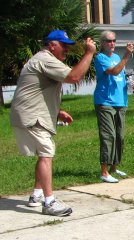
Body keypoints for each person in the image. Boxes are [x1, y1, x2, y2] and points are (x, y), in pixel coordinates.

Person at [10, 29, 96, 216]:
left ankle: (37, 195)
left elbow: (35, 93)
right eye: (64, 45)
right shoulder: (45, 59)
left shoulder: (43, 59)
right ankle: (49, 203)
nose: (67, 49)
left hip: (30, 114)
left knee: (44, 153)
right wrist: (89, 53)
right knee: (47, 153)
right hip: (31, 117)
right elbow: (74, 77)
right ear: (52, 45)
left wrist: (57, 113)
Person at [93, 30, 134, 183]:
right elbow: (114, 71)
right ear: (102, 43)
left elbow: (121, 75)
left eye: (114, 41)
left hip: (120, 101)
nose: (112, 44)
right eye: (109, 41)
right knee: (108, 135)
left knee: (119, 136)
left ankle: (114, 168)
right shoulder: (100, 58)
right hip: (105, 102)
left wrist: (128, 83)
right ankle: (104, 172)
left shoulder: (116, 57)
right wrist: (127, 55)